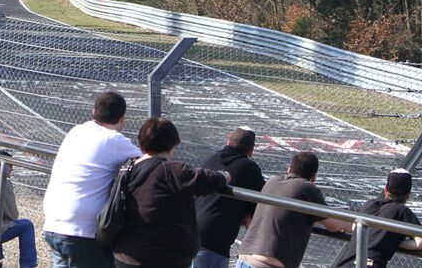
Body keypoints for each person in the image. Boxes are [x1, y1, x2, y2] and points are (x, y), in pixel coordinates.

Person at [43, 91, 142, 268]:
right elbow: (149, 162)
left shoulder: (76, 131)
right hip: (81, 231)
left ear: (94, 111)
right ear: (122, 119)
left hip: (54, 223)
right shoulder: (114, 140)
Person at [113, 118, 229, 268]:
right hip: (161, 258)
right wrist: (223, 176)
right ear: (173, 144)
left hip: (125, 254)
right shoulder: (171, 170)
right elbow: (205, 180)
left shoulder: (128, 168)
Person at [237, 152, 353, 268]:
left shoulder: (273, 181)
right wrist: (352, 226)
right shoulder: (307, 188)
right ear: (314, 177)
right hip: (267, 264)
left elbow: (285, 212)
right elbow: (333, 225)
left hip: (244, 258)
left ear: (289, 170)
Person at [193, 128, 266, 268]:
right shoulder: (249, 168)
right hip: (214, 242)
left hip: (189, 232)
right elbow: (259, 208)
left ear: (228, 143)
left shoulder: (211, 158)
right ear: (250, 151)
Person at [332, 169, 422, 268]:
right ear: (409, 194)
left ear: (386, 190)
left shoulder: (369, 204)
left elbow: (355, 227)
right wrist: (396, 242)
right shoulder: (402, 211)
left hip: (345, 264)